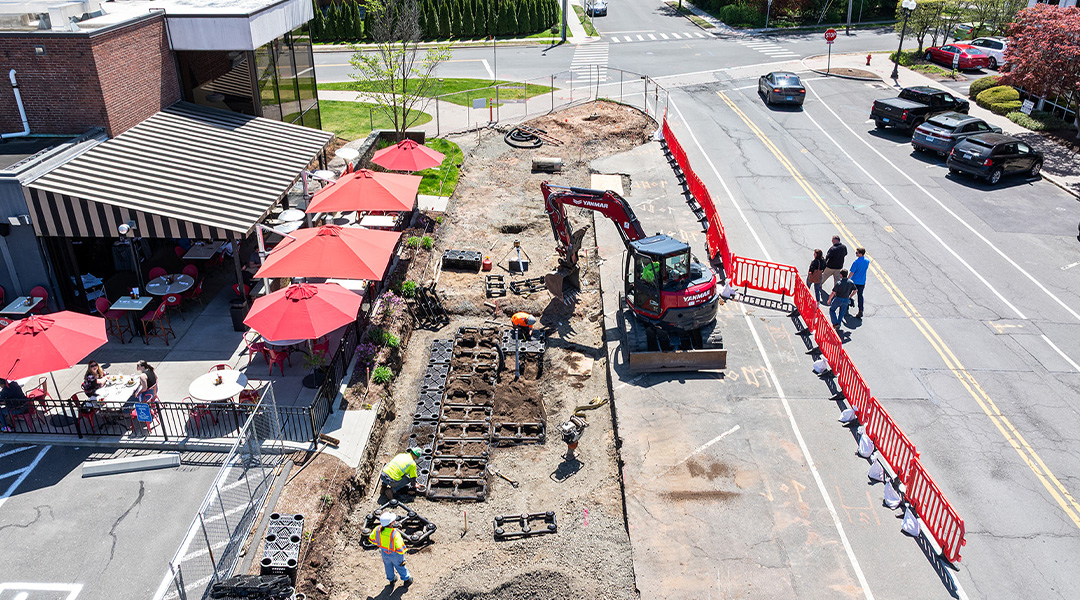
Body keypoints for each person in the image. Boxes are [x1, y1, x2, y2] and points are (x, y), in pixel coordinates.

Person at [368, 512, 412, 586]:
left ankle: (392, 579)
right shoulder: (395, 533)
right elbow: (400, 548)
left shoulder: (377, 529)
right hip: (395, 554)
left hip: (384, 553)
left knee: (388, 567)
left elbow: (371, 539)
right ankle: (406, 579)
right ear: (391, 523)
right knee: (400, 566)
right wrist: (402, 553)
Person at [848, 248, 869, 319]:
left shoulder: (856, 262)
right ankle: (860, 310)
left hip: (854, 281)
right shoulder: (867, 261)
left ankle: (846, 306)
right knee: (860, 295)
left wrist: (847, 279)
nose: (856, 254)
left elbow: (852, 272)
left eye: (857, 253)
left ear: (860, 254)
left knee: (847, 293)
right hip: (862, 281)